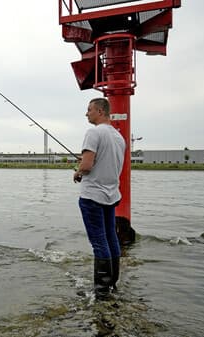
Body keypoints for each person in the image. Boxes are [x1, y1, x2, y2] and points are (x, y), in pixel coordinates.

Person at [73, 97, 126, 298]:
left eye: (89, 110)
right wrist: (88, 161)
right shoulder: (119, 138)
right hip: (111, 195)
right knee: (111, 237)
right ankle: (112, 283)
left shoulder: (93, 133)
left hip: (92, 196)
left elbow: (86, 166)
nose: (87, 113)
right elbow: (106, 162)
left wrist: (78, 172)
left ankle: (101, 291)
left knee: (99, 242)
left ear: (100, 111)